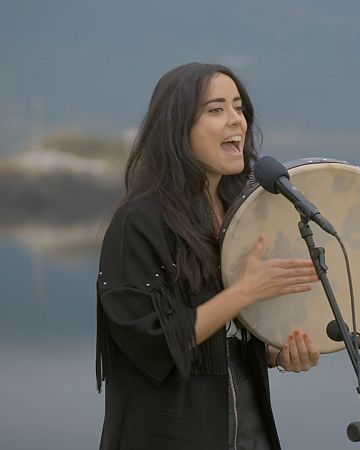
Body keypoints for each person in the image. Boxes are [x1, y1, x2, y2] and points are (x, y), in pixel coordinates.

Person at [95, 62, 321, 450]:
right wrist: (245, 292)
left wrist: (273, 351)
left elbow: (228, 330)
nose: (236, 120)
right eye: (216, 109)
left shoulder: (243, 210)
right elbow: (151, 342)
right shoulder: (138, 221)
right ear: (178, 128)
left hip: (249, 427)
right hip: (169, 433)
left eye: (238, 107)